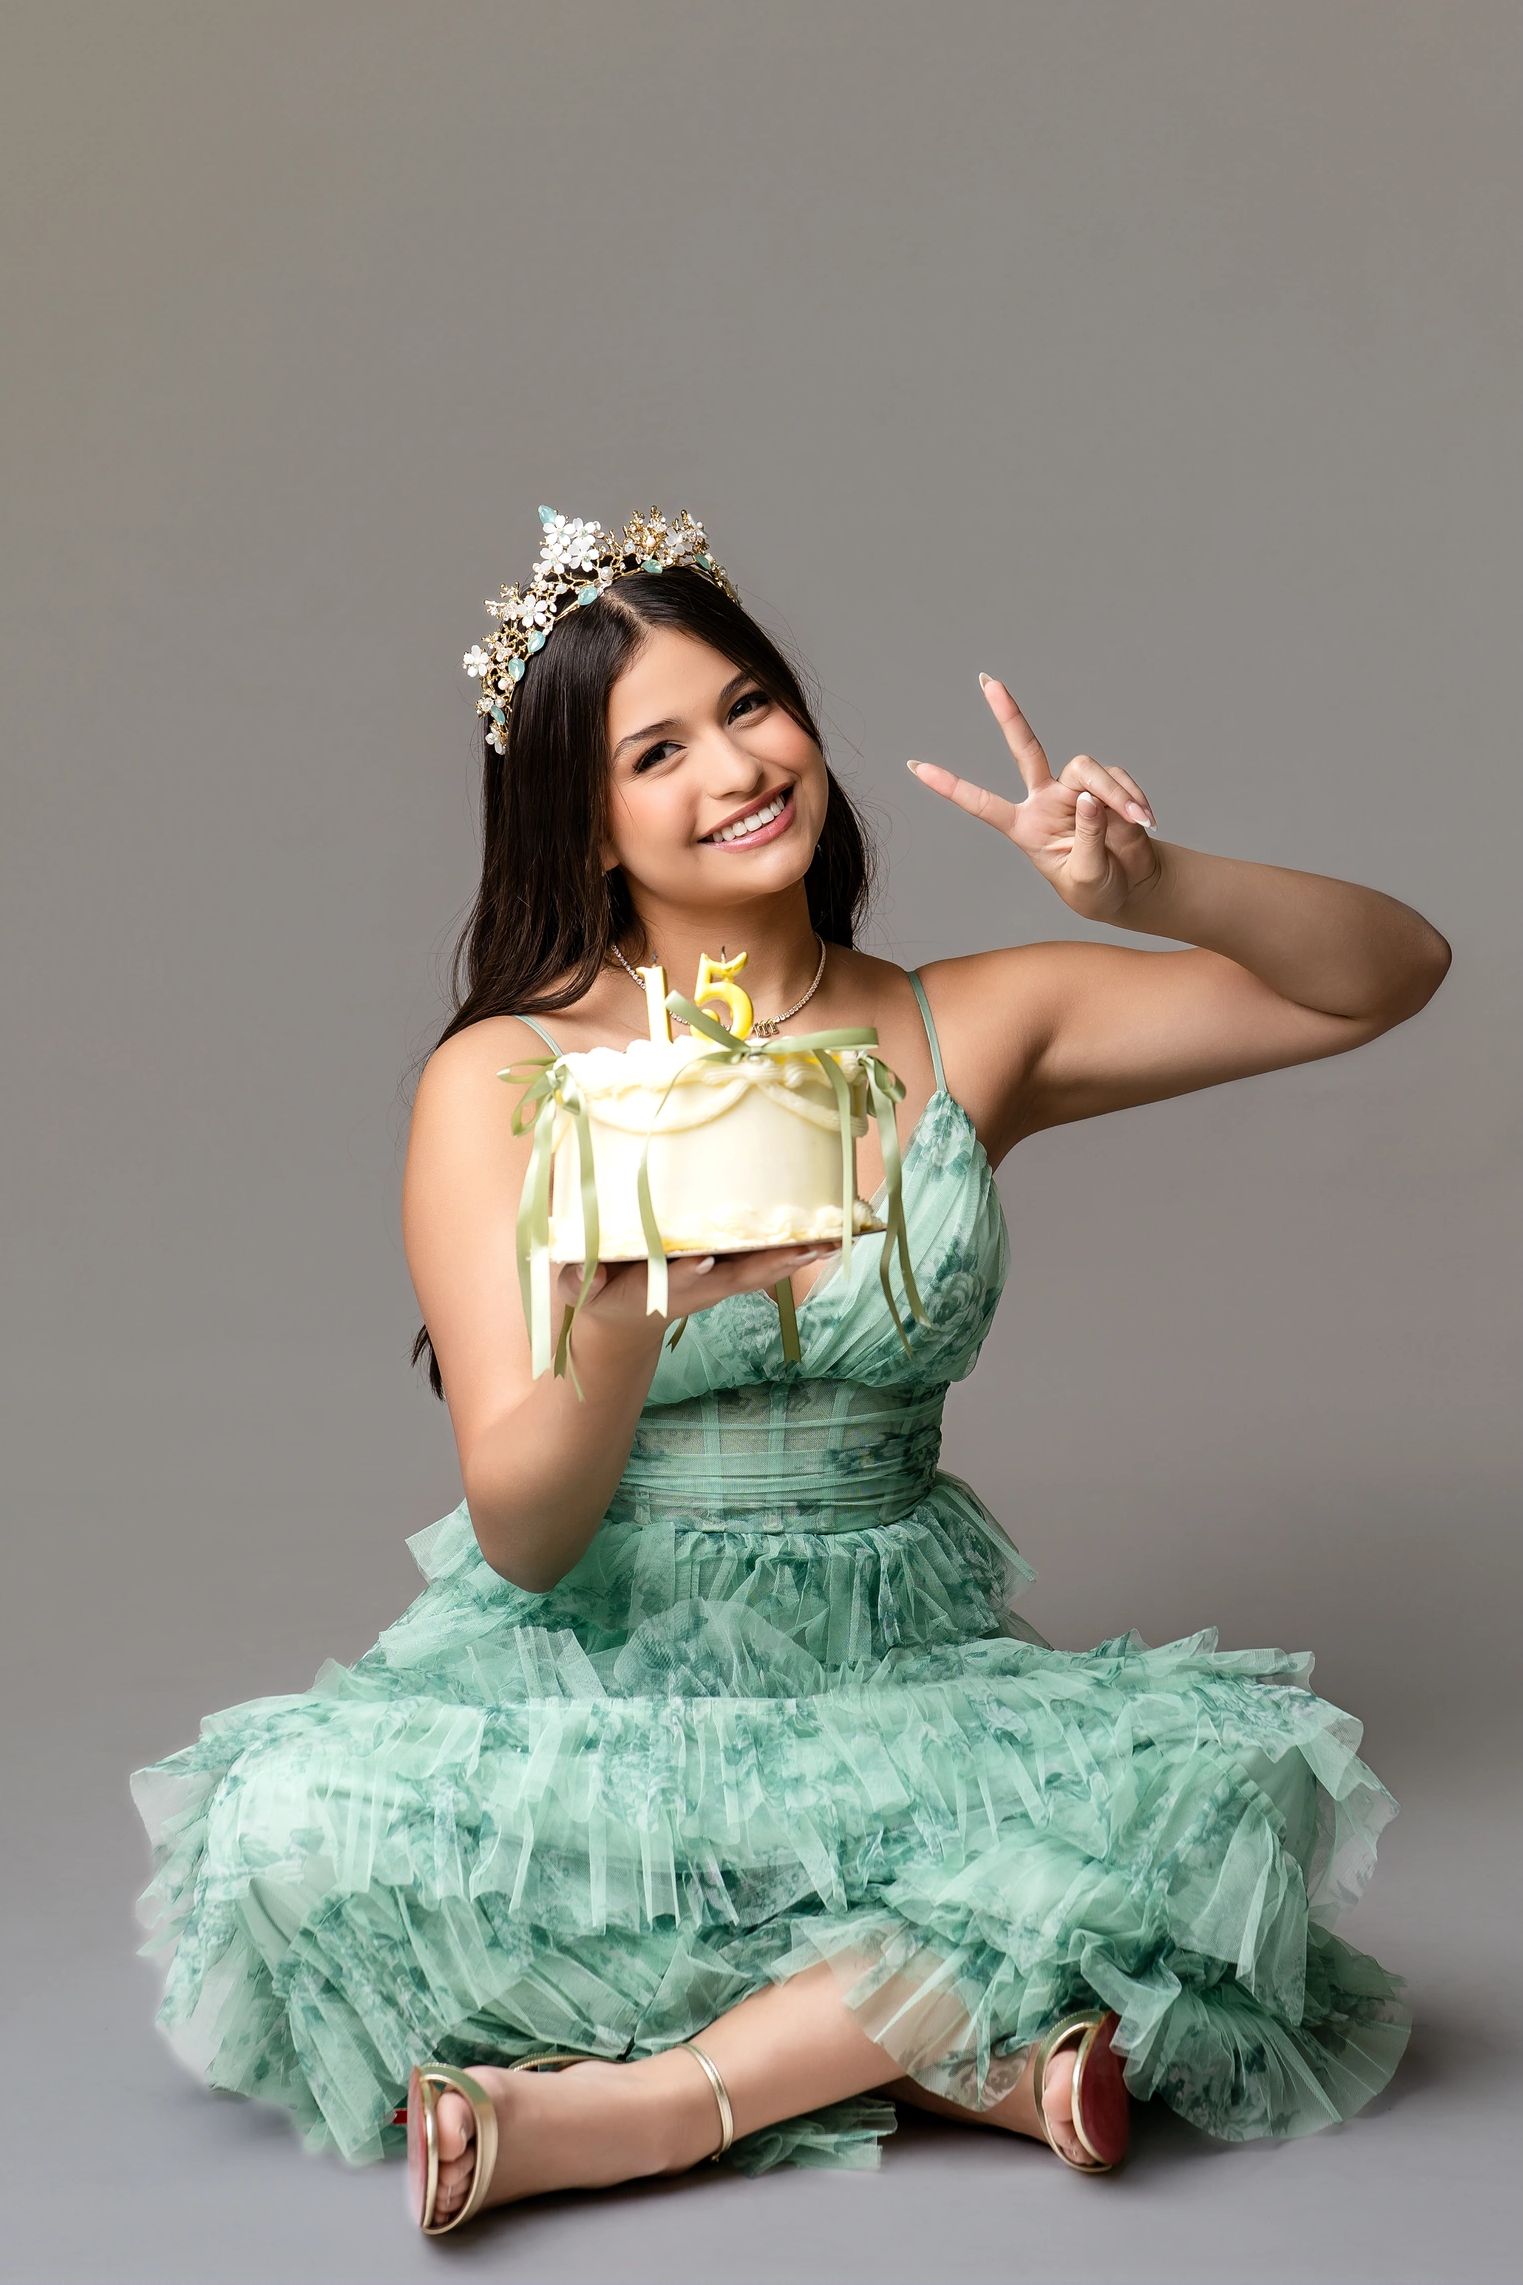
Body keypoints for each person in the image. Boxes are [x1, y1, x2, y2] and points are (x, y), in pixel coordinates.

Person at [130, 504, 1444, 2238]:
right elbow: (521, 1534)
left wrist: (1154, 886)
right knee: (303, 1841)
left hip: (906, 1675)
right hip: (601, 1684)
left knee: (1237, 1789)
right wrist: (625, 1311)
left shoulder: (959, 1024)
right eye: (657, 750)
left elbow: (1384, 978)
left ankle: (658, 2102)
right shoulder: (508, 1082)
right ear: (586, 830)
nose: (737, 766)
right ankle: (941, 2047)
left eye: (751, 706)